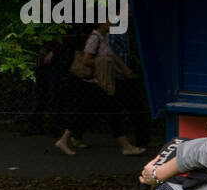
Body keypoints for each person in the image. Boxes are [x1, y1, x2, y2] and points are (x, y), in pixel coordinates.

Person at [55, 19, 147, 155]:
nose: (112, 24)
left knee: (87, 112)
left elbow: (110, 58)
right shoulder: (95, 38)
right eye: (109, 22)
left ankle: (64, 139)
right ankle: (126, 146)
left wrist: (121, 71)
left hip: (101, 82)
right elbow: (86, 59)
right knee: (111, 113)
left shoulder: (103, 38)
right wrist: (103, 62)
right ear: (101, 22)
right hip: (96, 83)